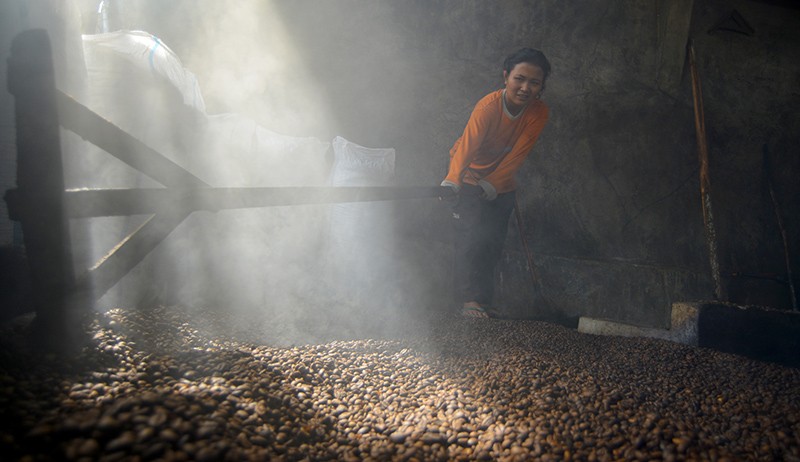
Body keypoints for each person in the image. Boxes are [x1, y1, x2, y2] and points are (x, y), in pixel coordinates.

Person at [441, 47, 551, 318]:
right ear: (506, 77)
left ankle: (483, 301)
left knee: (491, 243)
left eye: (534, 83)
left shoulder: (538, 112)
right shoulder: (488, 106)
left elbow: (518, 155)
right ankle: (467, 301)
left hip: (501, 182)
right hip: (468, 176)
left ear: (541, 87)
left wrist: (493, 185)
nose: (525, 87)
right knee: (470, 239)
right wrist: (453, 180)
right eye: (519, 79)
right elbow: (467, 146)